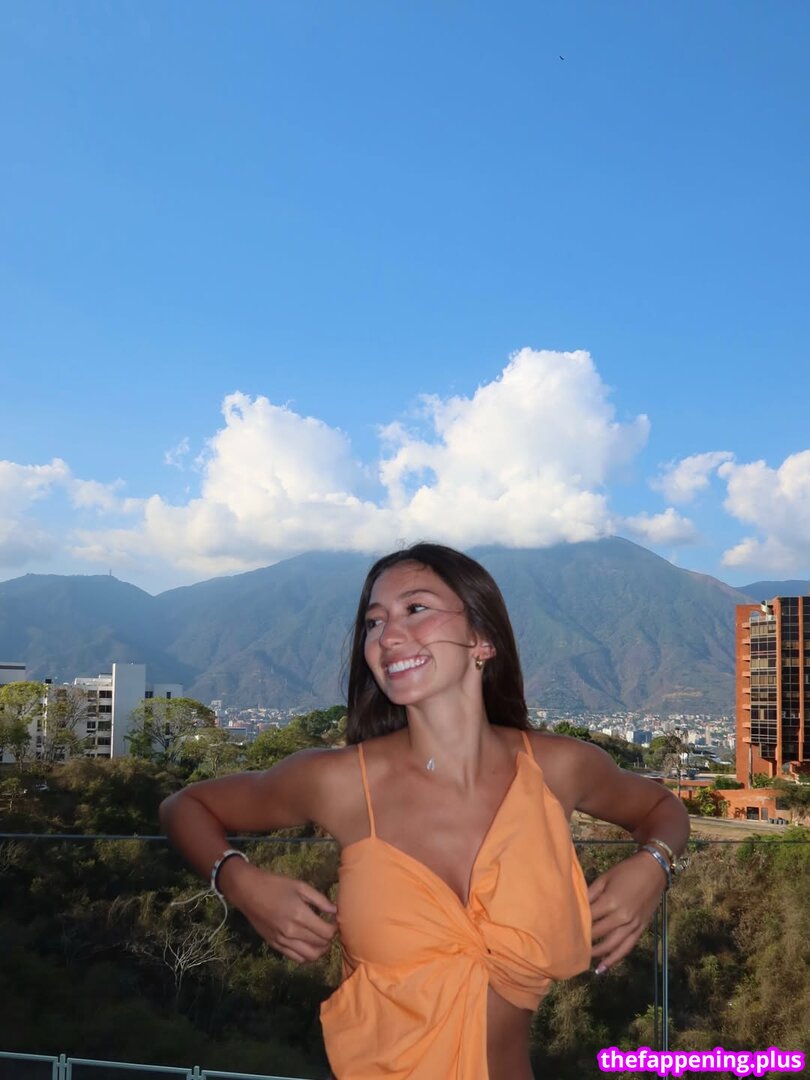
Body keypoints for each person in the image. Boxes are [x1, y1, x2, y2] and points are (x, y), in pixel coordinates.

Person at [160, 543, 689, 1080]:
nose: (387, 635)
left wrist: (653, 866)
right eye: (373, 622)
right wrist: (241, 883)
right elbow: (185, 806)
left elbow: (662, 807)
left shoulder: (557, 768)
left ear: (482, 640)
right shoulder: (341, 783)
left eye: (415, 609)